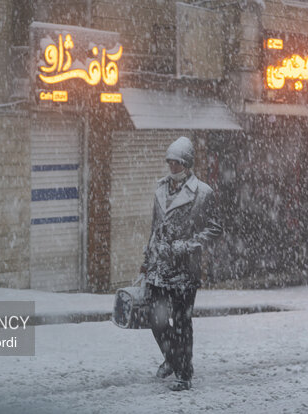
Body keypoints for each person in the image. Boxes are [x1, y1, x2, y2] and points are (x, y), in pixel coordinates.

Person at [139, 136, 223, 391]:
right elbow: (155, 228)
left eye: (177, 163)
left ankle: (183, 372)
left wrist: (188, 245)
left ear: (187, 164)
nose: (172, 167)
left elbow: (215, 229)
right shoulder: (160, 188)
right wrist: (146, 260)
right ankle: (173, 359)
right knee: (156, 319)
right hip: (159, 267)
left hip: (184, 271)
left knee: (182, 323)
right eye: (170, 162)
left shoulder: (203, 193)